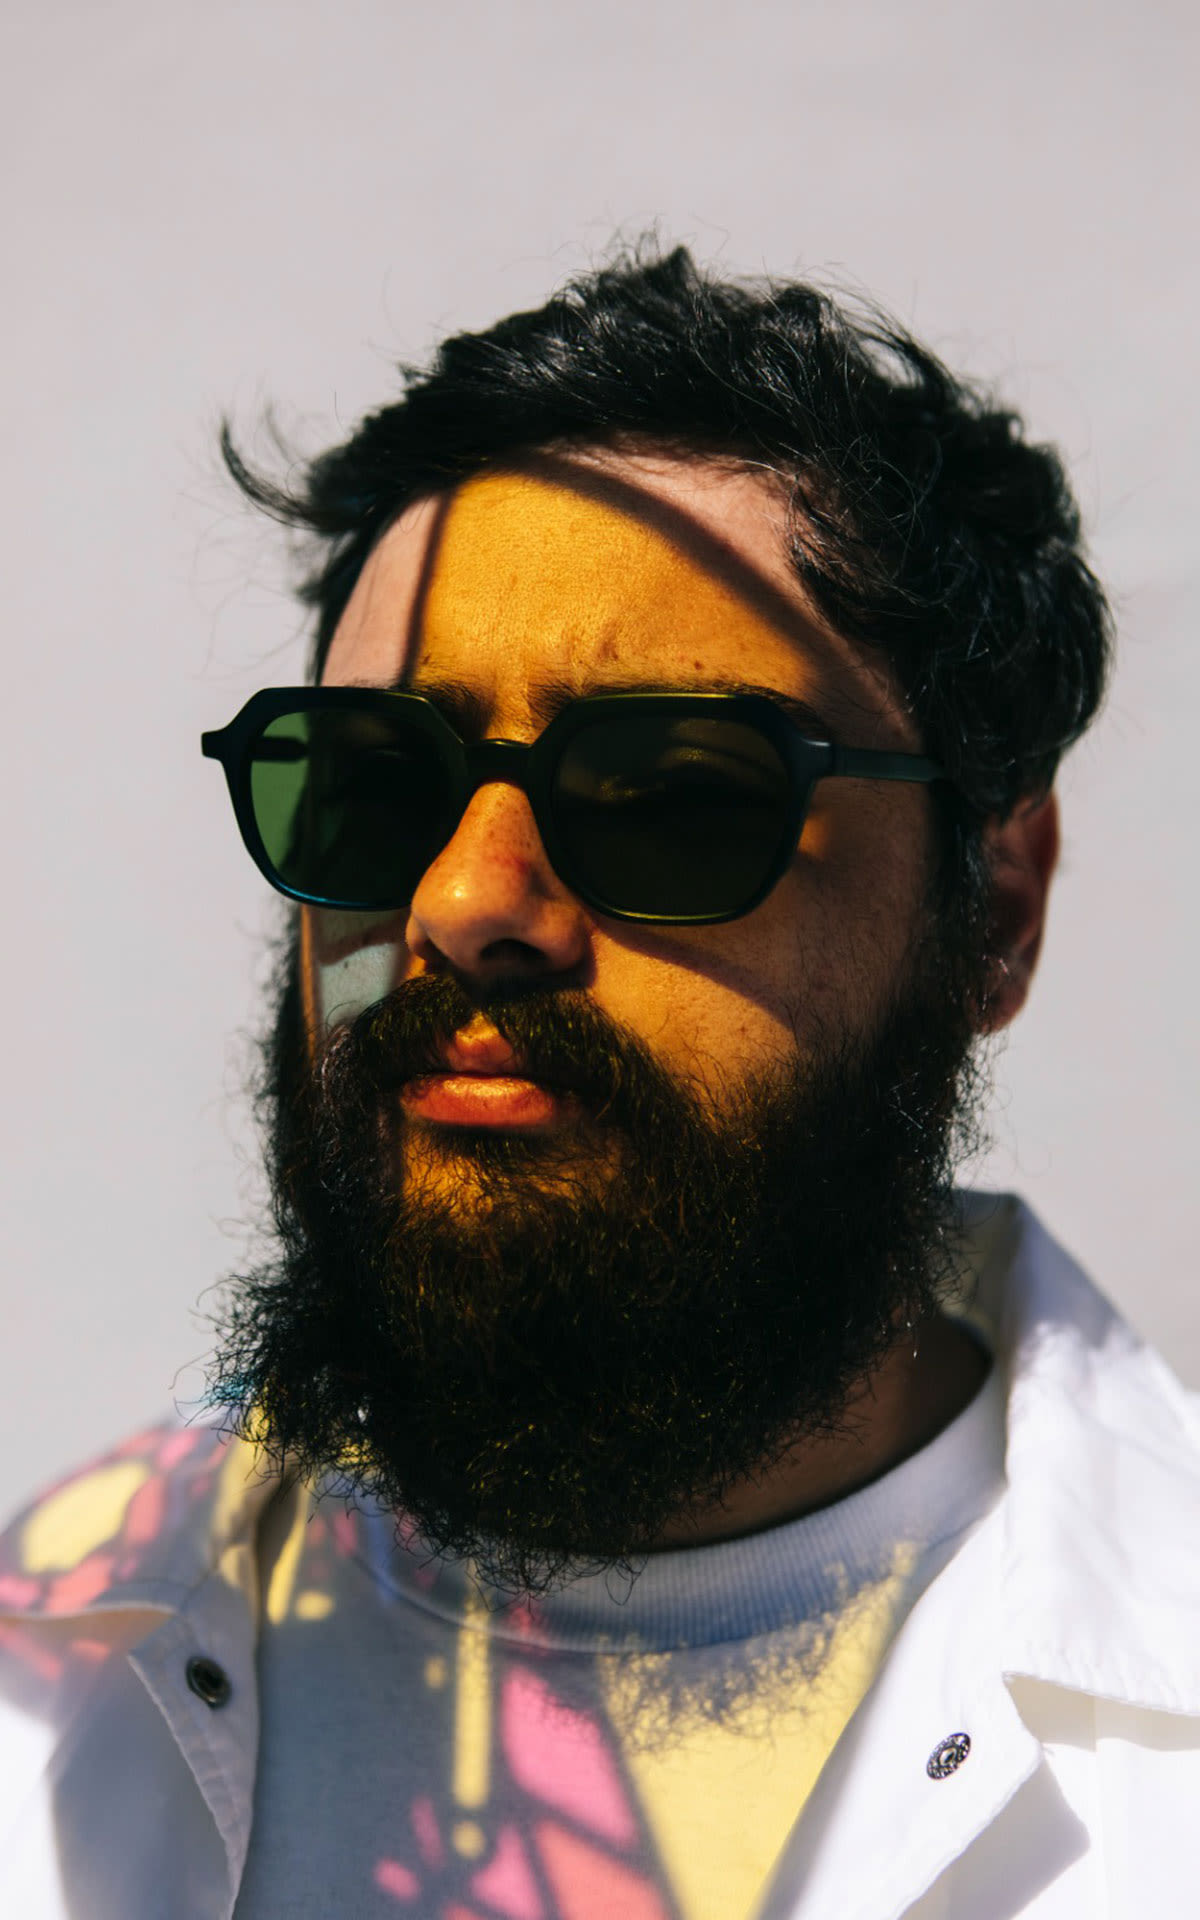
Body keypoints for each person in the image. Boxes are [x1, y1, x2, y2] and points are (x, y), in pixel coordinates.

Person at [1, 245, 1196, 1920]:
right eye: (377, 783)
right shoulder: (43, 1691)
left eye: (675, 795)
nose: (467, 901)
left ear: (994, 906)